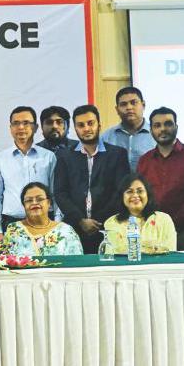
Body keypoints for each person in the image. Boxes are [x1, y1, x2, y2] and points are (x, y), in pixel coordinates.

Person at [53, 105, 130, 254]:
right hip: (74, 228)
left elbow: (120, 192)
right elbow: (60, 193)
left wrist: (97, 222)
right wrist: (80, 220)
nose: (86, 128)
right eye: (81, 125)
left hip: (109, 227)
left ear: (99, 125)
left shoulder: (117, 154)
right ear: (75, 129)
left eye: (90, 123)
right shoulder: (64, 156)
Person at [136, 107, 184, 250]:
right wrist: (153, 223)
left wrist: (171, 224)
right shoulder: (144, 160)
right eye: (157, 125)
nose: (163, 129)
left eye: (168, 124)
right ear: (151, 130)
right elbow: (141, 196)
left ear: (176, 127)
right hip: (153, 231)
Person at [0, 106, 60, 240]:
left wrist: (57, 224)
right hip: (12, 223)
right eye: (16, 123)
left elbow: (56, 194)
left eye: (26, 123)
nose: (21, 127)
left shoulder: (48, 157)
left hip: (44, 223)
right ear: (10, 128)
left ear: (36, 127)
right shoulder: (1, 159)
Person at [2, 182, 83, 256]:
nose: (34, 203)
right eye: (29, 200)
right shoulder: (14, 229)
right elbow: (6, 261)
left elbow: (77, 263)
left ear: (49, 203)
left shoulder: (66, 231)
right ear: (24, 205)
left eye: (40, 199)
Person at [104, 174, 177, 255]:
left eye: (140, 191)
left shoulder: (164, 219)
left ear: (147, 194)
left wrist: (136, 249)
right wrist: (150, 248)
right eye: (129, 191)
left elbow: (170, 251)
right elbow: (113, 252)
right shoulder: (113, 222)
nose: (135, 195)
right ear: (122, 196)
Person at [102, 86, 156, 171]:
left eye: (133, 103)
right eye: (123, 104)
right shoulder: (106, 137)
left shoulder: (156, 135)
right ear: (117, 110)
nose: (129, 107)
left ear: (143, 105)